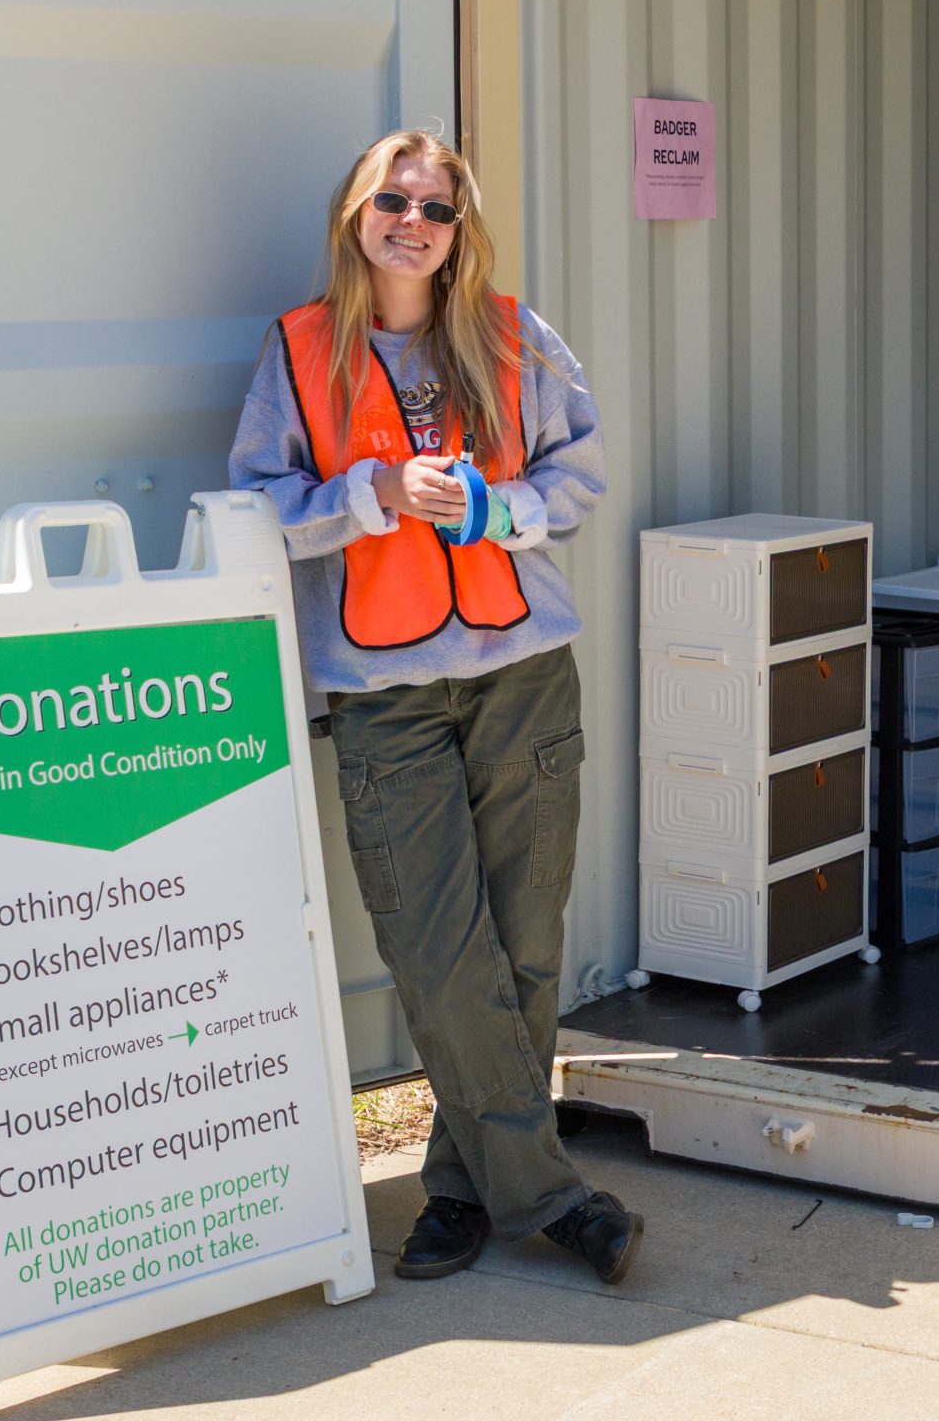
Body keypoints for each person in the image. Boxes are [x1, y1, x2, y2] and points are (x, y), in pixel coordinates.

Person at [230, 129, 638, 1285]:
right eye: (391, 199)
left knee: (525, 951)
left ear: (462, 229)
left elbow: (580, 479)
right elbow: (259, 510)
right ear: (354, 213)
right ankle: (553, 1201)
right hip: (384, 699)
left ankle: (457, 1193)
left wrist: (496, 512)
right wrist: (368, 493)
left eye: (438, 207)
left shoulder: (514, 336)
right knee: (437, 956)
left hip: (523, 676)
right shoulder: (300, 350)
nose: (414, 220)